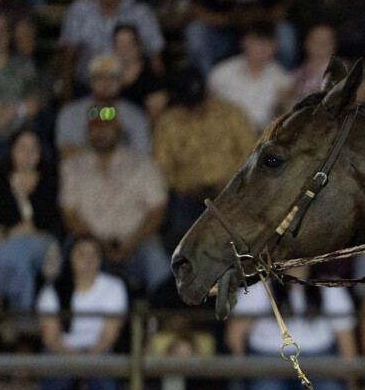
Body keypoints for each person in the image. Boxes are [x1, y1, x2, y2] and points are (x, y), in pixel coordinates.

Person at [224, 267, 357, 390]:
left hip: (319, 361)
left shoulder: (329, 286)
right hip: (269, 360)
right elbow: (234, 335)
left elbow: (346, 340)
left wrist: (351, 381)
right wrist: (243, 375)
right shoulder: (261, 286)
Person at [33, 235, 127, 390]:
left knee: (106, 386)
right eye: (81, 254)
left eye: (94, 254)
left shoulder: (113, 287)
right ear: (70, 259)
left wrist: (88, 359)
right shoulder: (53, 290)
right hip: (62, 353)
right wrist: (75, 359)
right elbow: (50, 338)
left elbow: (108, 336)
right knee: (55, 379)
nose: (88, 260)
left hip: (99, 352)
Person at [59, 113, 170, 293]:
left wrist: (133, 242)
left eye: (106, 128)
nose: (101, 133)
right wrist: (99, 243)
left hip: (136, 243)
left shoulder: (142, 164)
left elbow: (157, 211)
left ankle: (166, 316)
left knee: (155, 255)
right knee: (78, 250)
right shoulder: (73, 166)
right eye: (96, 128)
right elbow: (68, 214)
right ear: (87, 131)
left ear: (118, 131)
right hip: (93, 243)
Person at [153, 67, 256, 247]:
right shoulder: (167, 123)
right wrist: (190, 189)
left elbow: (251, 152)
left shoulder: (231, 113)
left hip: (231, 191)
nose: (196, 107)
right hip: (189, 196)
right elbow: (164, 167)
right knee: (182, 234)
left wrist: (228, 185)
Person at [57, 0, 165, 102]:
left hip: (130, 89)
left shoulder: (141, 13)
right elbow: (68, 58)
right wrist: (67, 101)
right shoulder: (79, 10)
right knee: (100, 119)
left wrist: (160, 90)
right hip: (88, 89)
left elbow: (155, 59)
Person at [0, 128, 58, 313]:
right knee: (17, 258)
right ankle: (22, 316)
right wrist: (15, 230)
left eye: (33, 149)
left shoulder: (50, 179)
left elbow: (44, 223)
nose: (27, 155)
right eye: (22, 148)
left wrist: (13, 230)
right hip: (7, 242)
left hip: (43, 243)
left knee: (11, 251)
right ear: (11, 151)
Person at [55, 54, 151, 159]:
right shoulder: (70, 113)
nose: (106, 83)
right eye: (100, 78)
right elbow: (65, 153)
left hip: (126, 173)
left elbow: (142, 155)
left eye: (112, 78)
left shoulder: (135, 115)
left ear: (121, 81)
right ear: (90, 81)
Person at [206, 23, 291, 130]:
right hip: (225, 133)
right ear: (244, 43)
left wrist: (282, 106)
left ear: (274, 46)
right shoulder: (221, 73)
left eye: (266, 43)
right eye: (255, 42)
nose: (261, 48)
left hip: (262, 138)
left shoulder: (283, 80)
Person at [0, 8, 41, 157]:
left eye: (1, 30)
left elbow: (35, 103)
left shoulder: (25, 65)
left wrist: (13, 111)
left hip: (18, 138)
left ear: (9, 34)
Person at [111, 23, 169, 122]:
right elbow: (97, 111)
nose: (124, 49)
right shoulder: (106, 77)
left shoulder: (152, 79)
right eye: (120, 44)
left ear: (138, 46)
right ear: (114, 48)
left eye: (129, 44)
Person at [282, 22, 335, 109]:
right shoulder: (297, 73)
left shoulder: (338, 71)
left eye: (326, 41)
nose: (321, 44)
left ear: (333, 45)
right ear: (307, 42)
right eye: (316, 40)